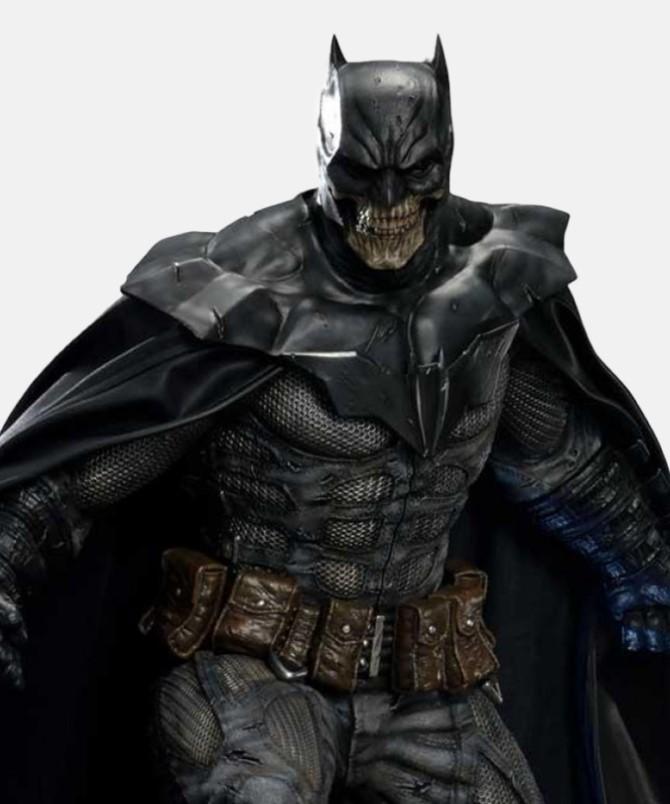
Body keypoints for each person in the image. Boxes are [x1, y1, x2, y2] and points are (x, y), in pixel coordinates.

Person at [0, 36, 668, 804]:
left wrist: (645, 572)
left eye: (413, 177)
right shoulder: (244, 305)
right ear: (326, 158)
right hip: (250, 674)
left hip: (424, 685)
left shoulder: (491, 305)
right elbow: (82, 478)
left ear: (445, 162)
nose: (387, 203)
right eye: (362, 175)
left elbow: (570, 469)